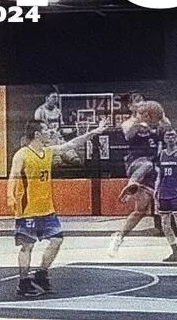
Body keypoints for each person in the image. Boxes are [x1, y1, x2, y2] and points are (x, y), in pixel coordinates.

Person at [7, 118, 107, 297]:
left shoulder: (48, 152)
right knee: (27, 246)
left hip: (47, 209)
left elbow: (71, 145)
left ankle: (41, 273)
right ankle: (23, 283)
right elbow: (13, 176)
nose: (50, 132)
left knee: (57, 240)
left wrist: (93, 132)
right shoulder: (22, 154)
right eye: (46, 130)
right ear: (37, 134)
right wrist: (10, 196)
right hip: (27, 209)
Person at [108, 100, 169, 257]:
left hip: (152, 170)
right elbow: (128, 134)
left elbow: (168, 126)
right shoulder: (129, 122)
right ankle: (131, 185)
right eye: (137, 102)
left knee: (140, 210)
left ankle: (119, 237)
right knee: (146, 164)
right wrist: (138, 121)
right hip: (135, 163)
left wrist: (160, 113)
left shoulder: (156, 122)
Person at [155, 128, 177, 262]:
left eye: (173, 136)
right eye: (168, 136)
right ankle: (176, 253)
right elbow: (159, 174)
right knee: (165, 224)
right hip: (164, 193)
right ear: (164, 138)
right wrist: (156, 189)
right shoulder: (161, 154)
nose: (170, 138)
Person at [33, 89, 81, 167]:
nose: (55, 99)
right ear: (47, 98)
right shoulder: (40, 111)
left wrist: (73, 129)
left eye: (56, 97)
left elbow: (61, 129)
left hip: (59, 140)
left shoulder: (58, 111)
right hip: (47, 143)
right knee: (57, 163)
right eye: (53, 97)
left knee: (76, 160)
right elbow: (38, 130)